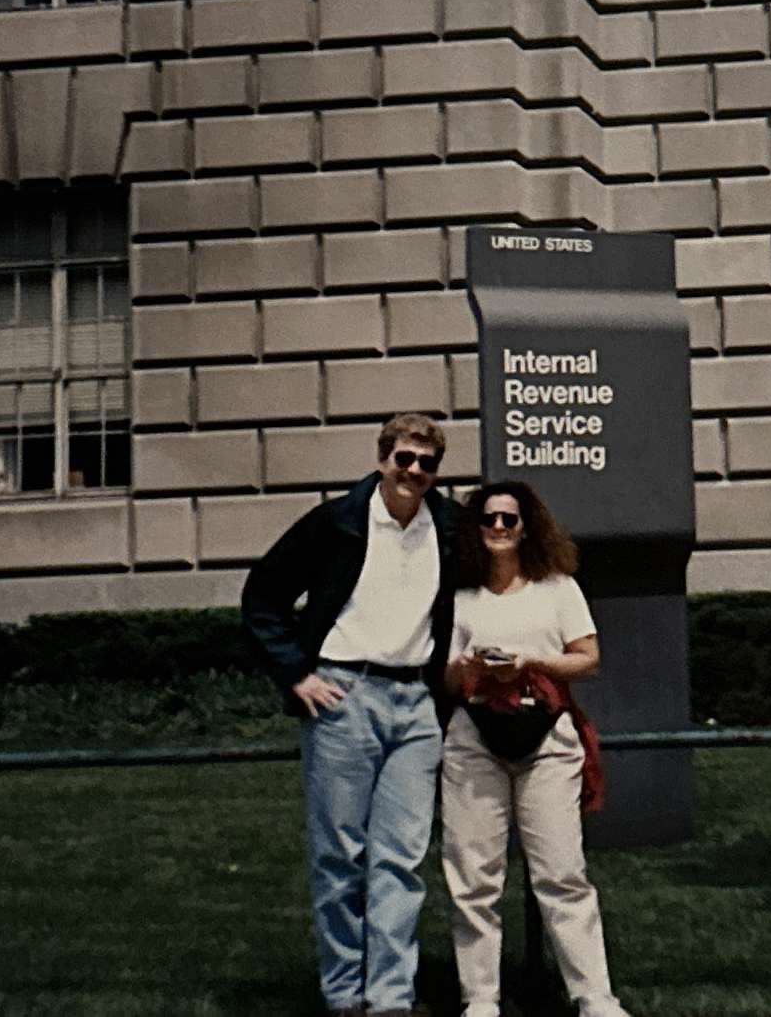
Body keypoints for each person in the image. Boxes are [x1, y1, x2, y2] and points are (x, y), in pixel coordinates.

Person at [240, 413, 456, 1017]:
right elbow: (263, 597)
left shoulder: (448, 526)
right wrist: (296, 674)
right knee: (341, 857)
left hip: (415, 705)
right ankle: (343, 993)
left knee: (402, 859)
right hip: (344, 695)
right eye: (404, 458)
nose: (414, 471)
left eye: (426, 463)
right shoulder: (337, 522)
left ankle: (390, 998)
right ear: (383, 458)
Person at [439, 481, 630, 1017]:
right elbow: (446, 680)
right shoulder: (460, 595)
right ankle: (480, 997)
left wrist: (530, 662)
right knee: (473, 875)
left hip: (546, 737)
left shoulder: (556, 588)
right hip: (474, 739)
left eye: (510, 520)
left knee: (562, 873)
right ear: (475, 529)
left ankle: (594, 995)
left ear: (527, 527)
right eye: (489, 520)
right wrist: (470, 670)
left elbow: (587, 659)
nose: (499, 529)